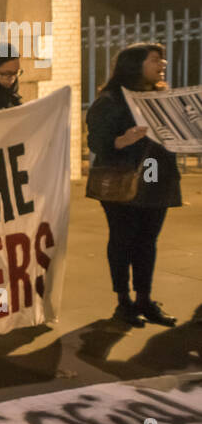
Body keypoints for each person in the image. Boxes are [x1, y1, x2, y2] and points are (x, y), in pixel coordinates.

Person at [85, 42, 181, 328]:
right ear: (134, 64)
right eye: (155, 60)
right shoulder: (111, 100)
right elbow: (97, 141)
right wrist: (123, 140)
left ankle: (144, 299)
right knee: (123, 239)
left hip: (156, 177)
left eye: (162, 60)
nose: (161, 65)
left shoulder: (160, 96)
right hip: (122, 180)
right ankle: (123, 301)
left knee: (147, 241)